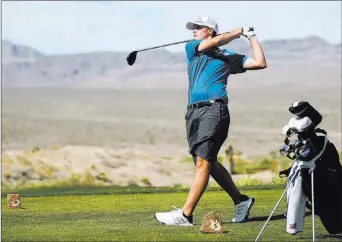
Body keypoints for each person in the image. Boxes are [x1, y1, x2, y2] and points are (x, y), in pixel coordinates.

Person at [155, 16, 267, 226]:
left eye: (199, 27)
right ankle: (241, 200)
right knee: (207, 162)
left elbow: (260, 62)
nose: (194, 30)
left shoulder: (227, 56)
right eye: (193, 28)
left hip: (214, 109)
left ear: (211, 30)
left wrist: (250, 35)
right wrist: (238, 31)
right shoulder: (193, 47)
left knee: (203, 162)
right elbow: (215, 43)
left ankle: (185, 215)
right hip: (193, 112)